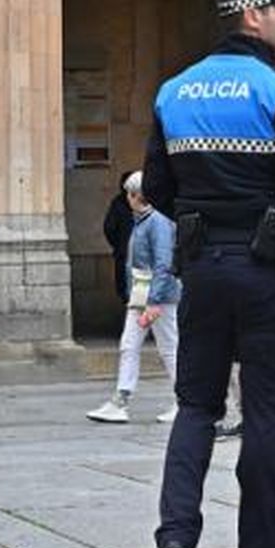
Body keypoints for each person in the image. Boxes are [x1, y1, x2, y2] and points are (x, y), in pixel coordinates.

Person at [145, 0, 275, 548]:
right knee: (265, 410)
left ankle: (174, 540)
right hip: (266, 271)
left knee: (196, 407)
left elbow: (155, 188)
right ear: (254, 16)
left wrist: (205, 225)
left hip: (203, 269)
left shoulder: (173, 91)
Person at [86, 171, 182, 425]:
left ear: (135, 195)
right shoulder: (144, 220)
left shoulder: (157, 222)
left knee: (169, 348)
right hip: (144, 294)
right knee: (130, 345)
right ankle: (120, 400)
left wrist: (155, 301)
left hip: (156, 296)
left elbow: (163, 263)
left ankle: (184, 400)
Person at [103, 170, 136, 305]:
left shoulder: (118, 202)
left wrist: (119, 245)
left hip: (124, 253)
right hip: (132, 255)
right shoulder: (148, 202)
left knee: (128, 296)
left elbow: (109, 228)